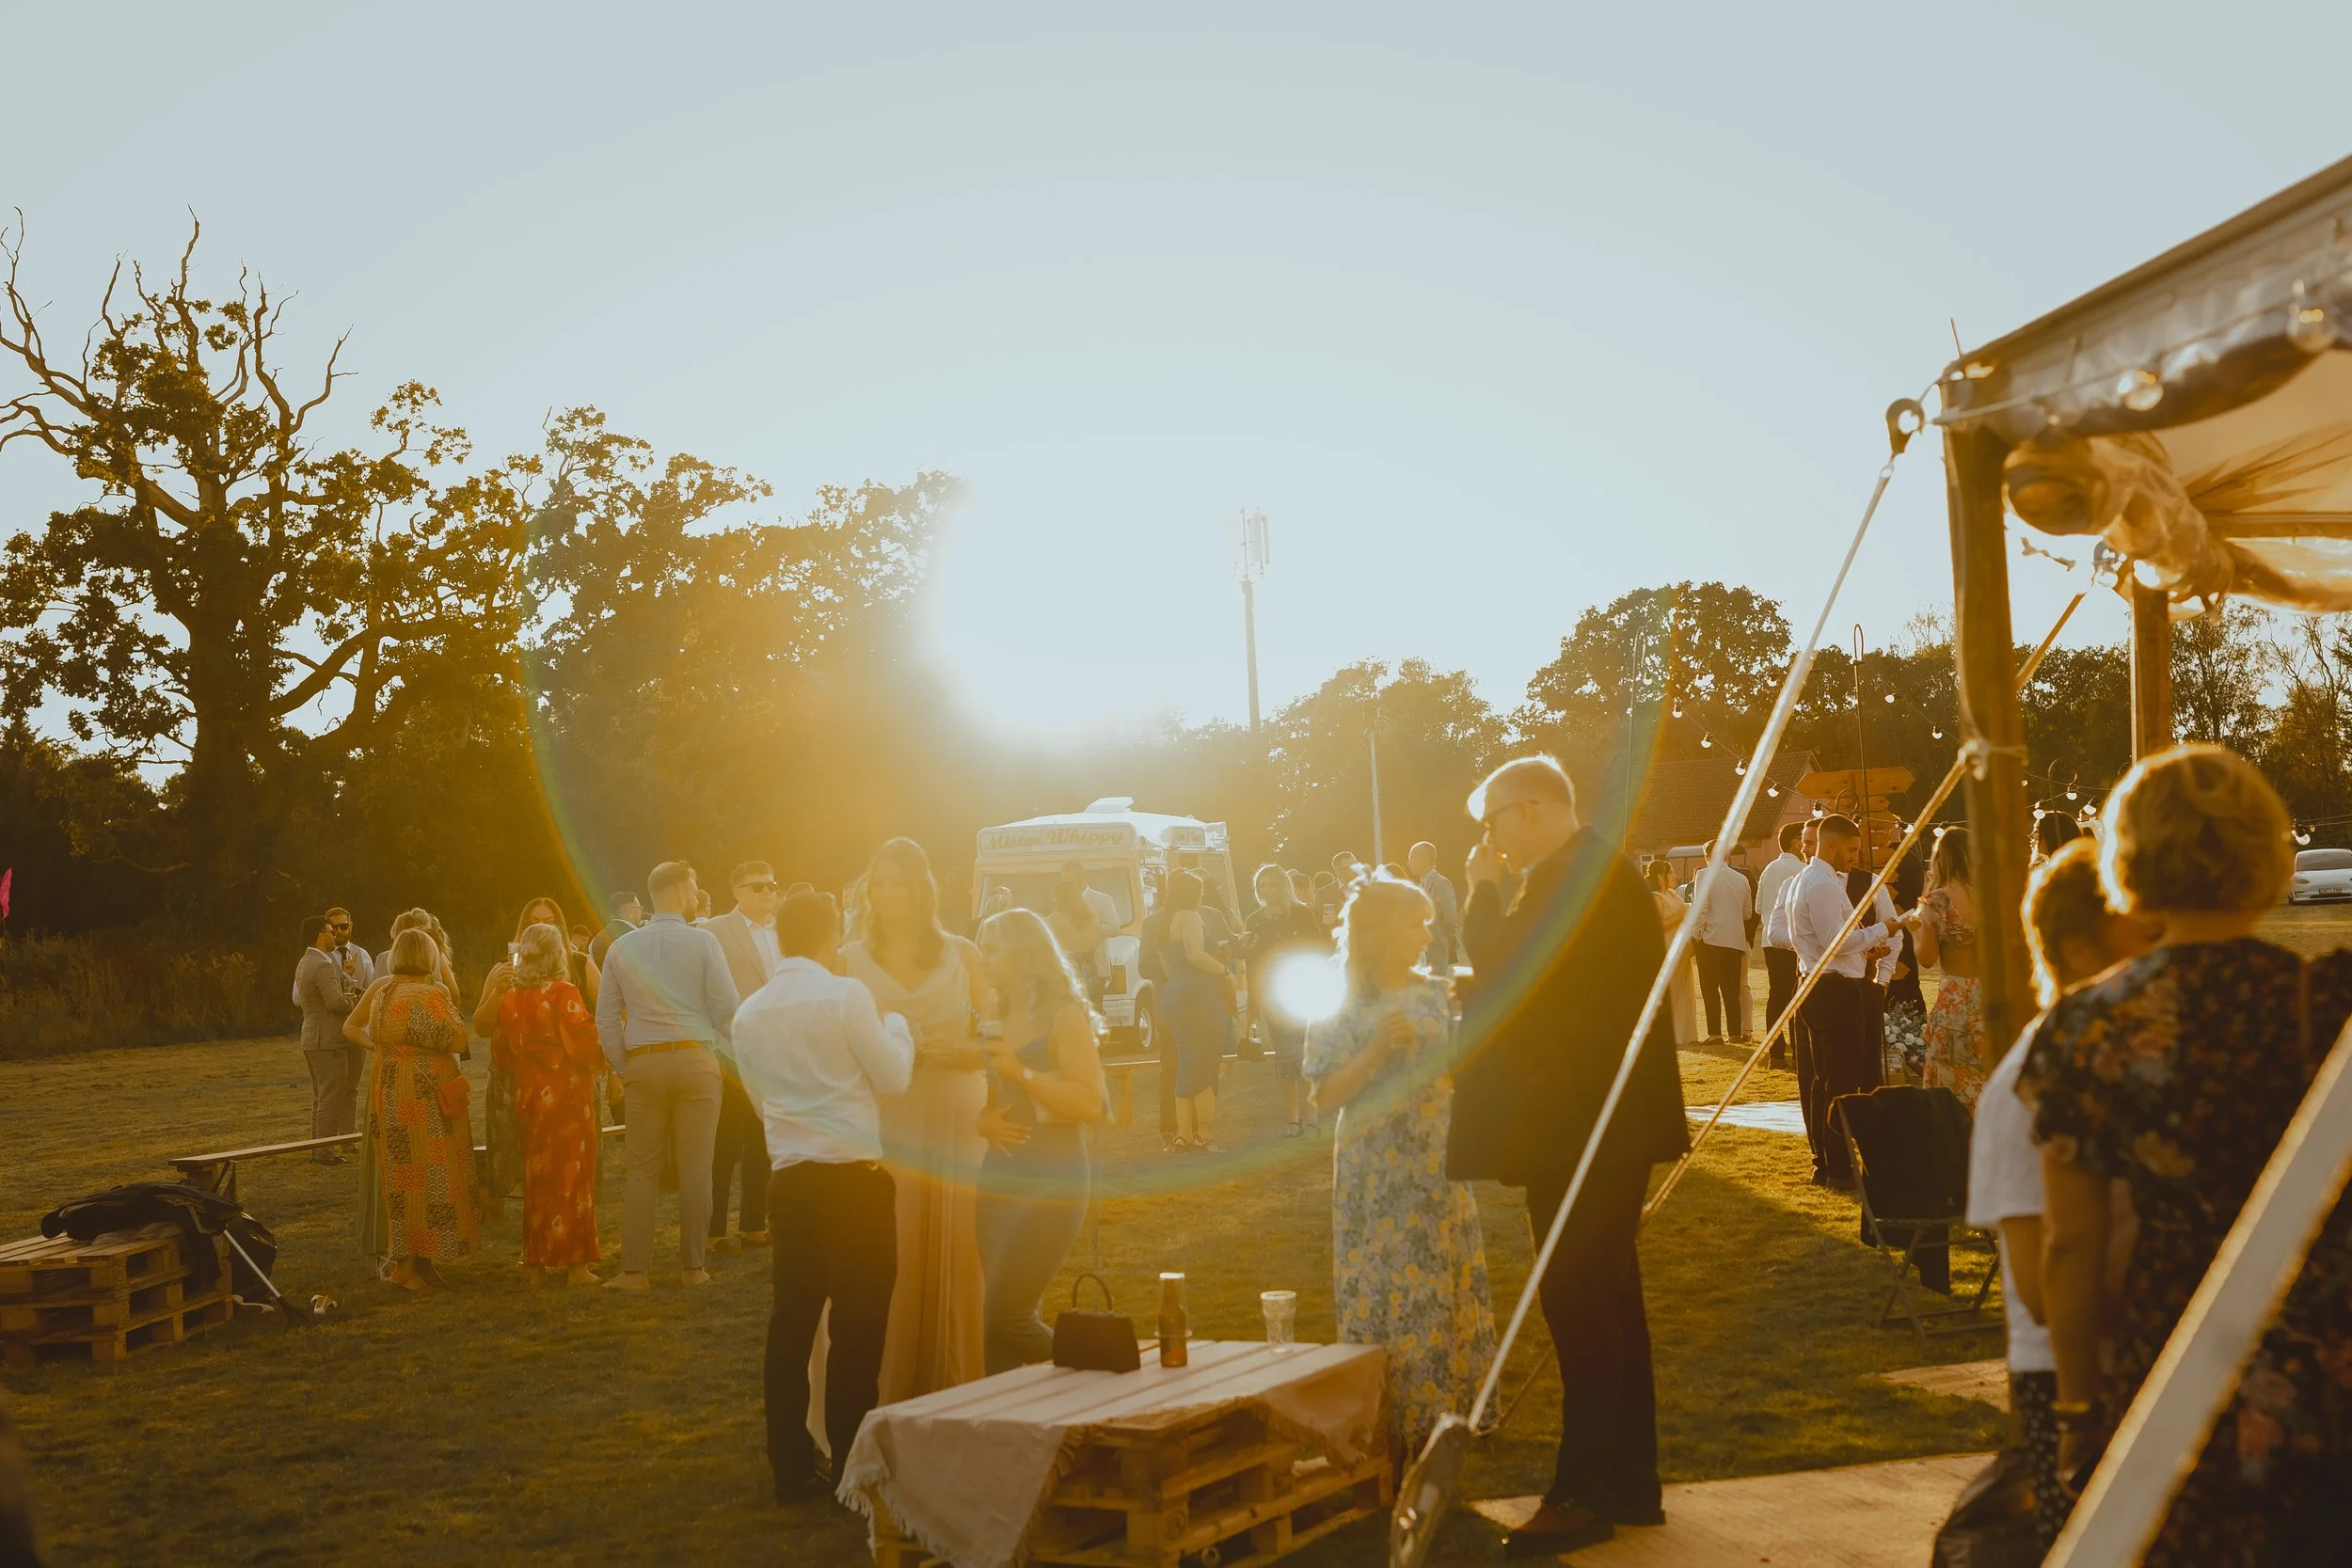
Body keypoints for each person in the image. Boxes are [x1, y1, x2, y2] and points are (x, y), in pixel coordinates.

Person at [2021, 745, 2352, 1566]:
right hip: (2321, 1362)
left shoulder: (2086, 1027)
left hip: (2173, 1361)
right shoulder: (2325, 1000)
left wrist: (2076, 1410)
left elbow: (2072, 1243)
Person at [1447, 757, 1689, 1557]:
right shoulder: (1590, 871)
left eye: (1491, 825)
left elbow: (1503, 969)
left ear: (1527, 808)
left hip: (1585, 1124)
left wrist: (1481, 890)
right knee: (1609, 1298)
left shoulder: (1571, 876)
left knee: (1580, 1301)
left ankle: (1583, 1491)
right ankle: (1628, 1480)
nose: (1489, 843)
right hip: (1597, 1119)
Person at [1970, 838, 2157, 1550]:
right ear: (2080, 951)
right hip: (2069, 1377)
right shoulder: (2026, 1087)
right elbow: (2040, 1288)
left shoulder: (2122, 1061)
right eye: (2143, 938)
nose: (2160, 959)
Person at [732, 890, 914, 1502]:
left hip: (790, 1182)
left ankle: (789, 1467)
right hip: (853, 1181)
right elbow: (893, 1076)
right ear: (831, 938)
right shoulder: (846, 995)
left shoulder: (748, 1014)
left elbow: (762, 1105)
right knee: (858, 1328)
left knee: (791, 1324)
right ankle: (850, 1466)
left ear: (780, 938)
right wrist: (899, 1027)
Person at [1306, 877, 1496, 1460]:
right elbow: (1323, 1096)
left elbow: (1462, 1067)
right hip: (1374, 1169)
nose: (1427, 934)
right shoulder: (1340, 1001)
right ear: (1383, 932)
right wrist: (1374, 1052)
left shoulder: (1437, 993)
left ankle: (1447, 1414)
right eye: (1417, 922)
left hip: (1433, 1156)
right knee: (1381, 1285)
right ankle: (1387, 1419)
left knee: (1439, 1279)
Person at [841, 838, 990, 1402]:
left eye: (898, 882)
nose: (887, 893)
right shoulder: (848, 960)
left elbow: (1001, 1037)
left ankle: (961, 1378)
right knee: (893, 1246)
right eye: (878, 883)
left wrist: (969, 1052)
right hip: (889, 1118)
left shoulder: (964, 954)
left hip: (958, 1111)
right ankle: (885, 1386)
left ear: (920, 888)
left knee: (964, 1246)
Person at [972, 909, 1109, 1372]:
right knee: (994, 1319)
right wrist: (984, 1121)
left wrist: (1022, 1073)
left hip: (1053, 1176)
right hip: (999, 1176)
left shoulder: (1064, 1016)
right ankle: (1011, 1413)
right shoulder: (996, 1013)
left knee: (1007, 1317)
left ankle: (1102, 1376)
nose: (981, 959)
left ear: (1023, 954)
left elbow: (1091, 1102)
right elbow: (995, 1099)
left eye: (991, 949)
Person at [595, 860, 739, 1291]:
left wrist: (624, 1066)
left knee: (641, 1170)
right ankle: (693, 1268)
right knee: (696, 1168)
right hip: (695, 1059)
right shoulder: (704, 941)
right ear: (679, 892)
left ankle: (634, 1272)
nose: (696, 896)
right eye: (693, 889)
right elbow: (727, 1007)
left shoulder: (622, 947)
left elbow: (606, 1019)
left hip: (644, 1060)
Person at [342, 927, 483, 1292]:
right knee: (431, 1175)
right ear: (429, 958)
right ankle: (406, 1268)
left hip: (391, 1091)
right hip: (425, 1097)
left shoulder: (383, 992)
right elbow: (458, 1039)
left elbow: (369, 1031)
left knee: (402, 1180)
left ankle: (419, 1261)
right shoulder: (428, 995)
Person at [485, 923, 604, 1287]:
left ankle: (535, 1265)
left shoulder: (511, 998)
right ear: (556, 955)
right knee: (573, 1176)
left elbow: (500, 1052)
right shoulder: (564, 992)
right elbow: (583, 1046)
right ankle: (576, 1266)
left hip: (529, 1095)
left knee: (536, 1178)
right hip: (566, 1096)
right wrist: (612, 1027)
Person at [1788, 815, 1895, 1188]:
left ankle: (1825, 1161)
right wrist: (1885, 929)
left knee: (1824, 1080)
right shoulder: (1823, 884)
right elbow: (1837, 942)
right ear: (1831, 845)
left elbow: (1830, 941)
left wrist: (1865, 950)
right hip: (1833, 991)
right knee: (1842, 1082)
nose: (1854, 857)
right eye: (1851, 850)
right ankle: (1839, 1167)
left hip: (1818, 984)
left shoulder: (1805, 880)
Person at [704, 862, 784, 1255]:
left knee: (763, 1140)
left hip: (778, 1052)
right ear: (737, 891)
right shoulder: (714, 930)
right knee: (726, 1143)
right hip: (732, 1050)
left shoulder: (784, 931)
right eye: (758, 886)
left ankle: (754, 1224)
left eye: (772, 884)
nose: (768, 891)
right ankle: (713, 1230)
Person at [1247, 863, 1331, 1135]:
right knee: (1285, 1057)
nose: (1267, 890)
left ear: (1282, 885)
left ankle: (1312, 1114)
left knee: (1308, 1052)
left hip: (1304, 989)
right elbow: (1252, 963)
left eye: (1271, 884)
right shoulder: (1255, 920)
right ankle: (1293, 1119)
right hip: (1273, 995)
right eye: (1262, 886)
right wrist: (1252, 1003)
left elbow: (1318, 948)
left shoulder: (1301, 913)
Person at [1904, 827, 1985, 1107]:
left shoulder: (1938, 901)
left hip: (1955, 998)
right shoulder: (1993, 897)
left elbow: (1927, 958)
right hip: (1989, 995)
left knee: (1951, 1079)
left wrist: (1915, 931)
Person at [1157, 870, 1228, 1151]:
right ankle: (1204, 1133)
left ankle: (1183, 1133)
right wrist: (1223, 971)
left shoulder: (1166, 920)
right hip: (1200, 994)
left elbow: (1167, 964)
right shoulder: (1190, 916)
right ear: (1193, 893)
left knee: (1187, 1061)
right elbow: (1196, 954)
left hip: (1176, 990)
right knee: (1207, 1061)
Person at [294, 914, 364, 1164]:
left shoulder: (306, 961)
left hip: (313, 1037)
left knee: (321, 1096)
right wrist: (355, 1003)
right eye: (330, 931)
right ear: (319, 935)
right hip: (327, 1040)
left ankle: (320, 1148)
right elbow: (335, 1003)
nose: (335, 935)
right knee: (331, 1095)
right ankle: (324, 1151)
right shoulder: (322, 965)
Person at [1755, 822, 1808, 1068]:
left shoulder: (1768, 870)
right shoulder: (1802, 870)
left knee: (1776, 996)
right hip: (1793, 941)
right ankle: (1799, 1051)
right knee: (1798, 996)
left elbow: (1758, 907)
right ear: (1796, 842)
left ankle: (1776, 1053)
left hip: (1769, 940)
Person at [1690, 839, 1754, 1043]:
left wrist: (1697, 933)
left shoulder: (1704, 874)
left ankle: (1715, 1034)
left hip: (1712, 938)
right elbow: (1747, 913)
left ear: (1707, 856)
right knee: (1731, 989)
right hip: (1735, 940)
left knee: (1710, 988)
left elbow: (1701, 907)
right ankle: (1734, 1033)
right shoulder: (1742, 879)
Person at [1645, 863, 1699, 1046]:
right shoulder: (1656, 897)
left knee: (1684, 993)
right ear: (1660, 876)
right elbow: (1655, 927)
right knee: (1671, 992)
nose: (1674, 876)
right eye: (1671, 873)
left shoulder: (1672, 893)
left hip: (1682, 951)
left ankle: (1686, 1035)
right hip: (1667, 951)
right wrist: (1680, 917)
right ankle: (1670, 1035)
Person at [1407, 841, 1462, 977]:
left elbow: (1451, 920)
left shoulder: (1441, 883)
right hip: (1423, 958)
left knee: (1437, 988)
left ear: (1424, 859)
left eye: (1412, 858)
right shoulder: (1420, 887)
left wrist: (1440, 939)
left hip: (1437, 954)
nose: (1409, 863)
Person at [1044, 878, 1105, 989]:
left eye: (1054, 898)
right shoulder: (1090, 919)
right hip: (1090, 973)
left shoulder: (1054, 920)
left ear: (1059, 899)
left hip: (1066, 974)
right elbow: (1095, 942)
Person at [1059, 859, 1120, 945]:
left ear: (1081, 879)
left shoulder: (1103, 899)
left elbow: (1113, 928)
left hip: (1094, 952)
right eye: (1062, 879)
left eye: (1067, 879)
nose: (1063, 883)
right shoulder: (1060, 902)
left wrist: (1085, 930)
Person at [323, 907, 374, 991]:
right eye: (334, 927)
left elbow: (371, 989)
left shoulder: (363, 954)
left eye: (344, 926)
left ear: (350, 926)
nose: (339, 931)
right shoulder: (320, 956)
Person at [589, 891, 642, 968]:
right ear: (629, 912)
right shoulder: (635, 937)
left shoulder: (596, 939)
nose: (641, 912)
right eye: (639, 908)